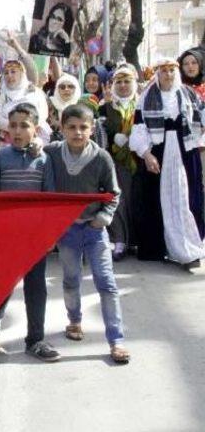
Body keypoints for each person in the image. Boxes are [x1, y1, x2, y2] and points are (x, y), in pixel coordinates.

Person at [44, 104, 129, 364]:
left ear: (92, 129)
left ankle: (116, 340)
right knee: (71, 280)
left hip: (94, 229)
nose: (78, 132)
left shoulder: (101, 157)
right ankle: (74, 321)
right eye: (71, 127)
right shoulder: (52, 153)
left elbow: (113, 193)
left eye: (83, 127)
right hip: (67, 230)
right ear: (61, 128)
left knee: (107, 283)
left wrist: (103, 218)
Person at [0, 102, 60, 363]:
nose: (17, 131)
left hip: (34, 238)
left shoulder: (44, 158)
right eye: (12, 125)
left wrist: (48, 235)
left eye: (24, 126)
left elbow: (50, 200)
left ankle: (35, 340)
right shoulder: (0, 158)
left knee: (36, 289)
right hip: (6, 236)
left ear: (35, 129)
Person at [129, 58, 205, 269]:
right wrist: (147, 154)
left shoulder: (189, 94)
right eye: (164, 71)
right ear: (157, 73)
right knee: (157, 200)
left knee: (185, 199)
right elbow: (139, 129)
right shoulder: (146, 98)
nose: (168, 75)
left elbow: (200, 120)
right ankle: (159, 248)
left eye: (172, 70)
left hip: (185, 152)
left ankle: (189, 250)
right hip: (158, 152)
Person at [98, 65, 139, 261]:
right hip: (114, 161)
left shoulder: (142, 104)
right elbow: (100, 134)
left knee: (135, 200)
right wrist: (115, 137)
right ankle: (120, 240)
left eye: (127, 81)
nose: (122, 86)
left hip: (139, 160)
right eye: (118, 82)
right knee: (118, 200)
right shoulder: (105, 107)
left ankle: (135, 240)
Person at [0, 60, 51, 148]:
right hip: (4, 142)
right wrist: (17, 128)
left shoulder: (34, 91)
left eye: (13, 72)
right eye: (6, 73)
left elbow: (43, 114)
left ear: (22, 73)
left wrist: (27, 128)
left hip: (34, 139)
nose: (9, 75)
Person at [47, 73, 81, 141]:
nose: (66, 89)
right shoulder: (49, 104)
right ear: (57, 89)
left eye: (70, 86)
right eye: (62, 87)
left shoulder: (81, 106)